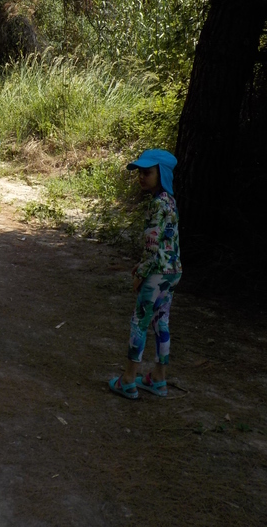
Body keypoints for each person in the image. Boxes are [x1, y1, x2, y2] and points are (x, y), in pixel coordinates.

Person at [109, 149, 182, 399]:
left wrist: (141, 272)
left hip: (155, 273)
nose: (141, 177)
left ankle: (128, 380)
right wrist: (143, 265)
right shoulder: (170, 202)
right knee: (162, 322)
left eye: (147, 172)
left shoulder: (156, 204)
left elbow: (152, 242)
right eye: (140, 172)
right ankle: (159, 378)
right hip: (172, 271)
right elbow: (166, 242)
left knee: (139, 322)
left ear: (162, 174)